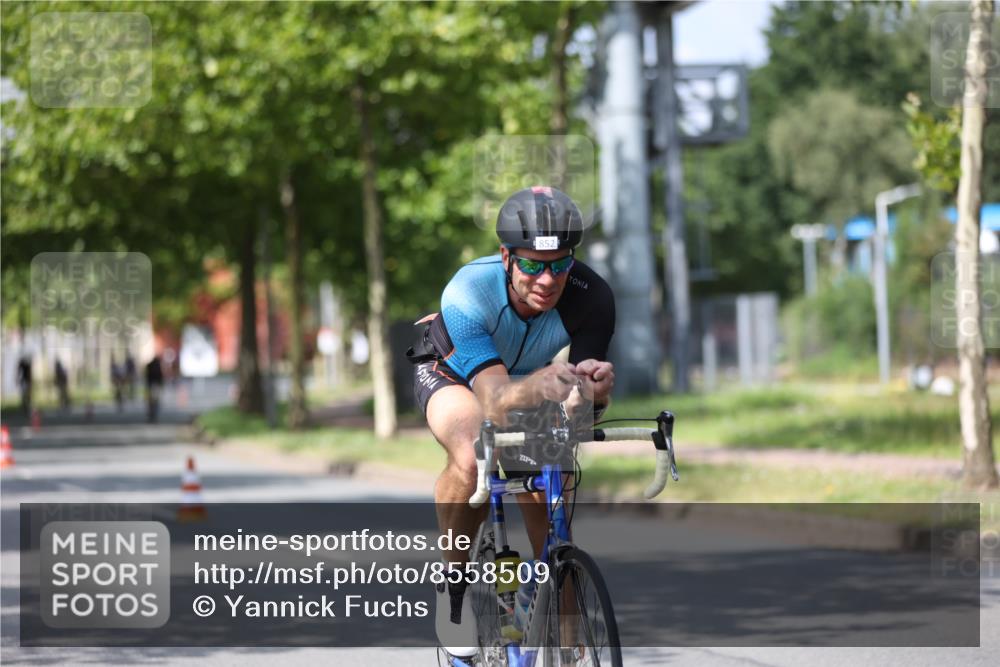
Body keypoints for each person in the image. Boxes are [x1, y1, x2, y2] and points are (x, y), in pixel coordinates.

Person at [408, 186, 616, 658]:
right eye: (533, 265)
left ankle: (561, 621)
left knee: (553, 474)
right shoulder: (468, 291)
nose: (548, 279)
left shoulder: (593, 298)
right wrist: (543, 386)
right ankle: (455, 587)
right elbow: (496, 401)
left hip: (526, 380)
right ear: (506, 257)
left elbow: (577, 411)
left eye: (560, 264)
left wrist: (594, 394)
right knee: (472, 450)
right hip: (456, 372)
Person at [145, 355, 164, 423]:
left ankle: (151, 413)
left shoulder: (149, 365)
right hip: (156, 385)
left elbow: (147, 376)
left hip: (150, 385)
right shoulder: (158, 366)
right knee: (155, 401)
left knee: (151, 401)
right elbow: (161, 377)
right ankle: (154, 414)